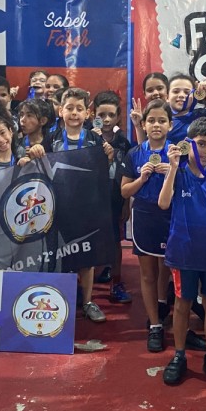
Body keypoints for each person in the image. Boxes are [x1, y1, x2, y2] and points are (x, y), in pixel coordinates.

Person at [157, 117, 206, 388]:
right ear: (188, 143)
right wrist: (172, 167)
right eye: (201, 144)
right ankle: (179, 355)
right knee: (182, 305)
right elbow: (163, 203)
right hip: (184, 254)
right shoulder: (178, 173)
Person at [50, 87, 113, 323]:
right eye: (69, 108)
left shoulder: (95, 139)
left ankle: (87, 301)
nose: (74, 113)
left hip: (87, 207)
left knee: (86, 257)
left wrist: (108, 158)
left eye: (79, 109)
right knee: (60, 255)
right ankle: (61, 300)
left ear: (87, 113)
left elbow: (104, 173)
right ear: (60, 111)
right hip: (58, 208)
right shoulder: (51, 138)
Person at [121, 99, 173, 351]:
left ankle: (164, 306)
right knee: (147, 273)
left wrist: (172, 171)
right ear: (143, 124)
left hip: (172, 216)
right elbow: (124, 191)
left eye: (162, 120)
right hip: (144, 216)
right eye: (151, 120)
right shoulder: (134, 154)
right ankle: (154, 324)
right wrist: (141, 179)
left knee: (168, 268)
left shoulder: (177, 153)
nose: (156, 125)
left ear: (170, 125)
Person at [92, 90, 133, 304]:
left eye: (111, 115)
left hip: (114, 199)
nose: (106, 119)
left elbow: (128, 175)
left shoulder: (124, 142)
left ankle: (116, 283)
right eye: (101, 115)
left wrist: (126, 204)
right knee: (88, 243)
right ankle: (85, 289)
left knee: (115, 242)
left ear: (118, 117)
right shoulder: (87, 139)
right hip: (90, 201)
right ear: (94, 115)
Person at [165, 73, 196, 143]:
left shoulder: (201, 117)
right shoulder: (161, 122)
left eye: (187, 92)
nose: (181, 95)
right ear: (167, 97)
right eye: (176, 91)